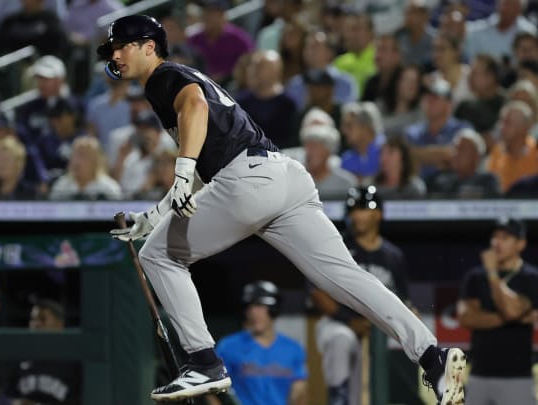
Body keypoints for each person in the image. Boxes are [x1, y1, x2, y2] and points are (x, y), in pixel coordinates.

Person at [98, 14, 465, 403]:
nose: (116, 55)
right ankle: (432, 354)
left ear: (149, 46)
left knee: (158, 254)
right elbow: (208, 167)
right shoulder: (175, 78)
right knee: (345, 276)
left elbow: (195, 106)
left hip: (248, 180)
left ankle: (203, 362)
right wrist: (151, 218)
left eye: (122, 46)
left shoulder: (162, 76)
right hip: (282, 177)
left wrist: (182, 171)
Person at [310, 186, 412, 405]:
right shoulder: (338, 246)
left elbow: (405, 301)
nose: (357, 215)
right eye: (353, 210)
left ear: (378, 214)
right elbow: (317, 292)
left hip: (378, 332)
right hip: (340, 322)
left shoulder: (393, 256)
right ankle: (337, 398)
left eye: (362, 209)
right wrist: (350, 321)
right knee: (341, 339)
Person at [456, 217, 538, 405]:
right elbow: (466, 318)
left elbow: (510, 311)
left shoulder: (531, 278)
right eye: (495, 236)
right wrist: (513, 318)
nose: (496, 242)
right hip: (479, 375)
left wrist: (492, 274)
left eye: (505, 237)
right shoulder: (475, 277)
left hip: (517, 378)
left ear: (521, 244)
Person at [213, 281, 308, 405]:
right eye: (250, 306)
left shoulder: (293, 349)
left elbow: (299, 392)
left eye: (260, 306)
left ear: (274, 310)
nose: (254, 312)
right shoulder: (228, 346)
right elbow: (213, 390)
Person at [1, 297, 81, 404]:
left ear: (59, 325)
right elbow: (4, 398)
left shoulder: (73, 362)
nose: (36, 324)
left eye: (42, 319)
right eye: (33, 319)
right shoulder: (19, 358)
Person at [427, 128, 501, 198]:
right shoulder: (441, 181)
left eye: (462, 149)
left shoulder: (487, 182)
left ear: (476, 157)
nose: (456, 153)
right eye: (455, 148)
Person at [486, 100, 538, 192]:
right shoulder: (497, 152)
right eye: (501, 122)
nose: (502, 127)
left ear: (524, 127)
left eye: (508, 122)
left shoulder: (536, 151)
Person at [49, 136, 122, 200]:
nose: (76, 161)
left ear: (96, 161)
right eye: (74, 155)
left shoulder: (109, 189)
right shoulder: (61, 186)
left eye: (83, 155)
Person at [301, 124, 357, 200]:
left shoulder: (346, 183)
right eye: (307, 147)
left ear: (328, 152)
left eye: (315, 147)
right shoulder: (297, 181)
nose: (309, 152)